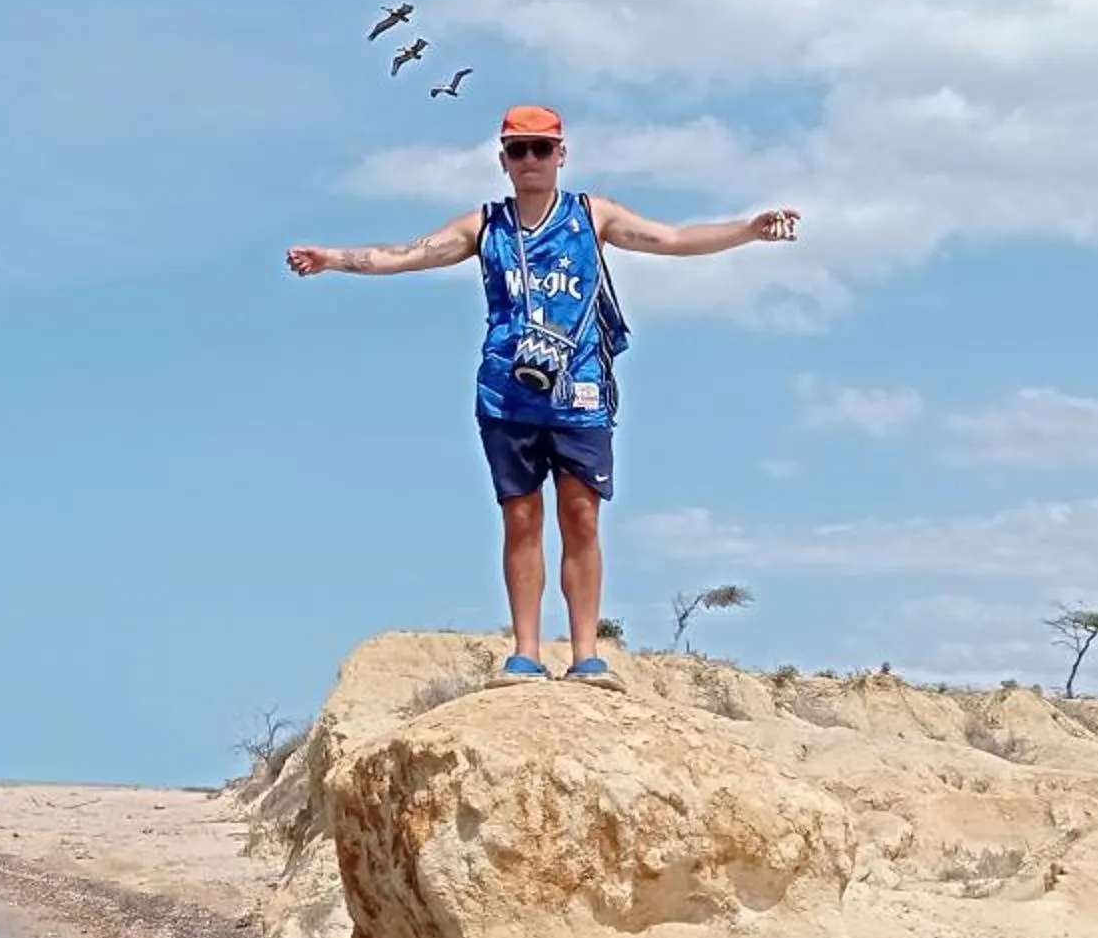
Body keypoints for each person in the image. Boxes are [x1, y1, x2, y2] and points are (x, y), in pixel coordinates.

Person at [285, 105, 800, 685]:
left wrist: (747, 230)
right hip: (508, 393)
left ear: (561, 153)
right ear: (502, 160)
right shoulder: (485, 227)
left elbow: (674, 238)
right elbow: (406, 255)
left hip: (580, 390)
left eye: (540, 148)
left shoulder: (591, 215)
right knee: (521, 517)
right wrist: (332, 259)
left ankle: (586, 655)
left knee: (581, 516)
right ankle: (525, 652)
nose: (529, 159)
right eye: (517, 149)